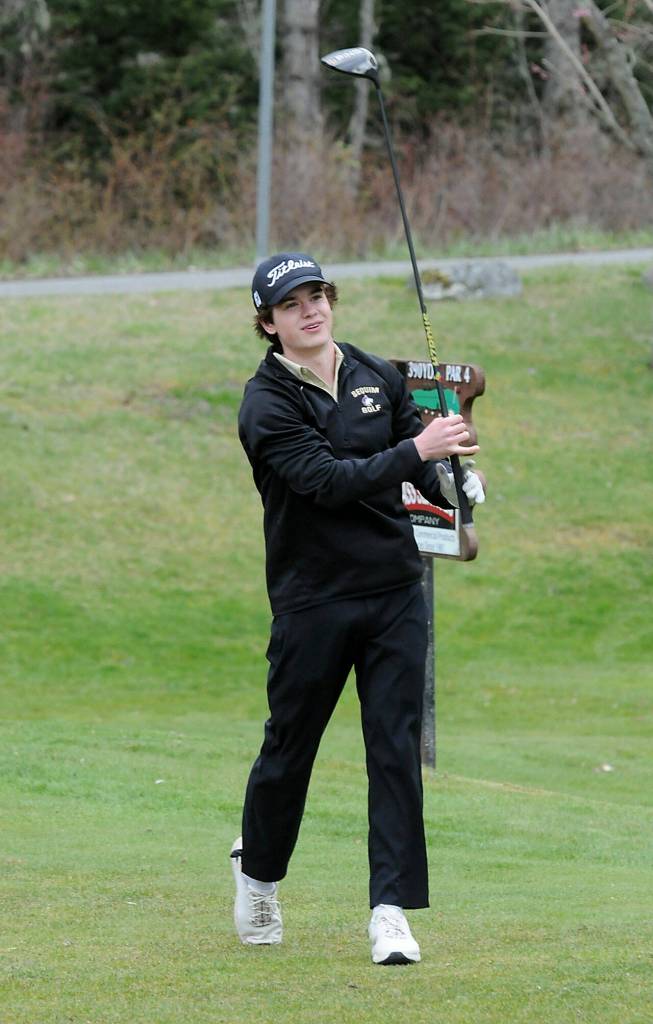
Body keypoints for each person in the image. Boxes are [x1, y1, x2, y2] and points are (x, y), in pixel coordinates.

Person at [231, 252, 484, 965]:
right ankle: (257, 876)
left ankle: (390, 912)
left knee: (394, 749)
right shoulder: (267, 404)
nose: (309, 312)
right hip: (313, 598)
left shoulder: (374, 373)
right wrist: (416, 450)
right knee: (289, 751)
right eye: (291, 305)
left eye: (317, 297)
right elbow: (329, 483)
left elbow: (426, 458)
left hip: (393, 590)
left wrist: (453, 477)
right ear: (268, 323)